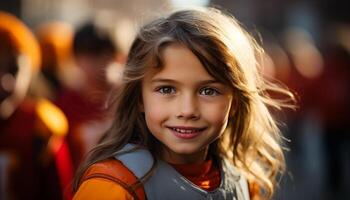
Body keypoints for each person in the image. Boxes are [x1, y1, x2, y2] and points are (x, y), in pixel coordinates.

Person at [73, 7, 294, 200]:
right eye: (167, 89)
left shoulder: (245, 181)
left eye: (209, 91)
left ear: (235, 101)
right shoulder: (112, 187)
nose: (187, 110)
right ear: (139, 97)